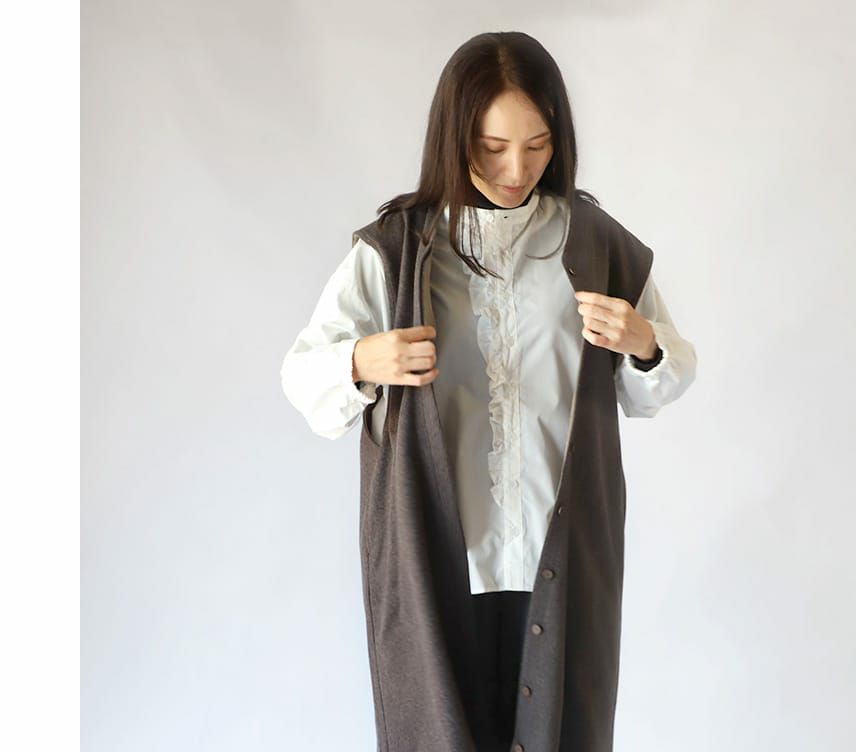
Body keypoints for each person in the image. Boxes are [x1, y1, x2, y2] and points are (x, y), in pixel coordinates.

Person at [281, 31, 696, 752]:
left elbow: (660, 383)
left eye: (537, 145)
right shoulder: (396, 250)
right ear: (455, 137)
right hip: (439, 560)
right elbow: (302, 376)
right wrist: (362, 359)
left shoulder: (595, 242)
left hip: (561, 559)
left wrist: (643, 343)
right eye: (492, 146)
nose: (516, 169)